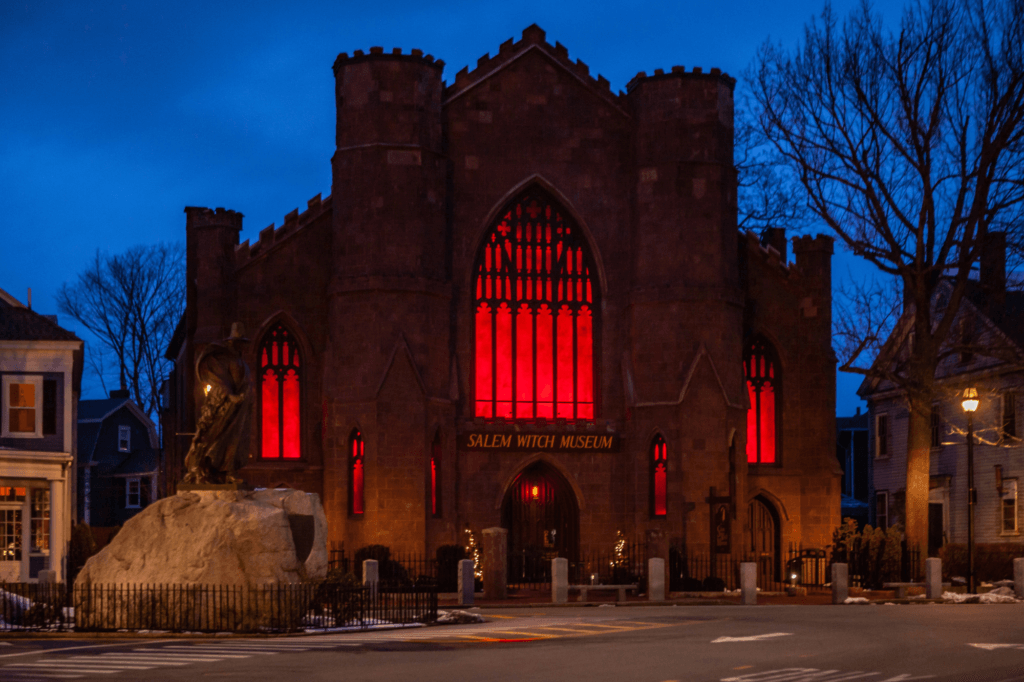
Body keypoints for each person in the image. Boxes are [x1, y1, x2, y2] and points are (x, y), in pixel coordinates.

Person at [182, 323, 253, 485]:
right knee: (218, 439)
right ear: (231, 342)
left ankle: (229, 472)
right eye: (237, 342)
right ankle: (210, 469)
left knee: (236, 439)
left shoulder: (243, 364)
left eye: (242, 342)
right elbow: (219, 381)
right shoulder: (220, 360)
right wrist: (231, 396)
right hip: (225, 408)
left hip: (240, 409)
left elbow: (246, 384)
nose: (240, 346)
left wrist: (247, 399)